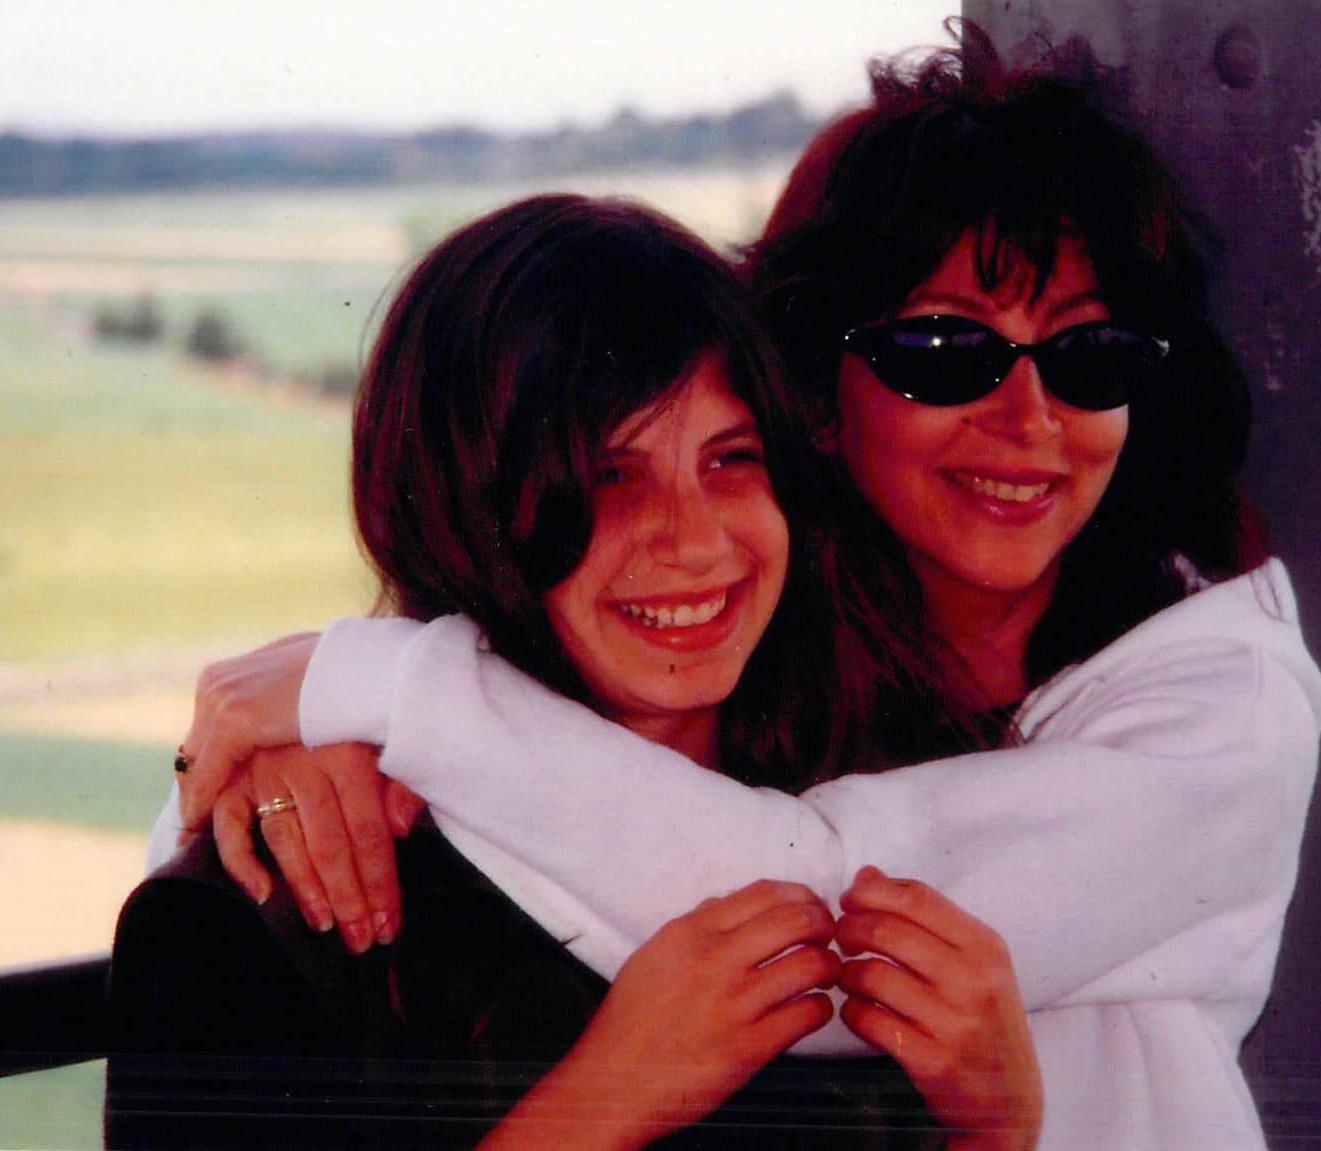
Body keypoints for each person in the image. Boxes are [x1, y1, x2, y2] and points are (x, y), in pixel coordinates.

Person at [164, 25, 1321, 1151]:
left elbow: (813, 906)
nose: (1027, 421)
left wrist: (383, 690)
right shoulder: (807, 683)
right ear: (814, 394)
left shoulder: (1224, 698)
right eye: (942, 352)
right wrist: (299, 755)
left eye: (1090, 356)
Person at [110, 193, 1043, 1150]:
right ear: (461, 508)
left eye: (731, 459)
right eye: (609, 474)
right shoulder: (268, 910)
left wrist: (1001, 1127)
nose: (696, 539)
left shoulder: (886, 815)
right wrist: (603, 1101)